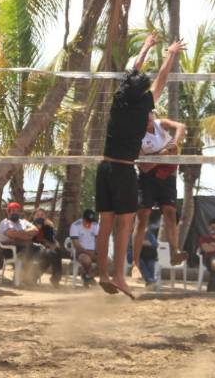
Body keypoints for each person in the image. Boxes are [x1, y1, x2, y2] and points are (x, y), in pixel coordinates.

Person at [95, 32, 186, 299]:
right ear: (143, 94)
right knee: (124, 225)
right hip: (124, 170)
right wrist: (170, 54)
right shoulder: (143, 105)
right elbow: (162, 79)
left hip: (105, 168)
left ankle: (103, 274)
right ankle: (120, 277)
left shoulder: (119, 98)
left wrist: (145, 47)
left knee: (104, 225)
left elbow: (133, 69)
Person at [132, 111, 187, 271]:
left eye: (150, 113)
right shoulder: (136, 138)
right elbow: (145, 166)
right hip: (147, 178)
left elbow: (181, 126)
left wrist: (174, 144)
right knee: (143, 217)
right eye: (145, 114)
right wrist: (161, 155)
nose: (148, 116)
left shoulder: (160, 124)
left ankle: (175, 252)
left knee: (170, 213)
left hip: (167, 176)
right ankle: (135, 263)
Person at [0, 202, 59, 285]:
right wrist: (26, 236)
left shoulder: (23, 222)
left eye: (17, 211)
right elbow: (12, 234)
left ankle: (33, 277)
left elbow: (35, 230)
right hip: (12, 250)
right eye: (13, 211)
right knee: (27, 248)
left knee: (50, 253)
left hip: (28, 247)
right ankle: (21, 277)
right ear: (8, 212)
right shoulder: (4, 223)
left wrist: (21, 234)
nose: (15, 213)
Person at [30, 208, 62, 286]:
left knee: (55, 252)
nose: (40, 217)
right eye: (37, 215)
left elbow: (52, 240)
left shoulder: (48, 227)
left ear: (45, 217)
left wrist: (52, 227)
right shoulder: (29, 226)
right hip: (33, 249)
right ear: (33, 217)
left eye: (42, 215)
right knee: (51, 254)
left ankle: (54, 278)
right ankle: (55, 279)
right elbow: (32, 240)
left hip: (45, 250)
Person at [70, 209, 99, 286]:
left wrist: (97, 250)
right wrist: (88, 252)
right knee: (86, 260)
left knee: (107, 261)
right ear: (83, 219)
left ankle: (88, 276)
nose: (90, 223)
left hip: (93, 251)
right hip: (80, 252)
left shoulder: (95, 225)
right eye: (88, 221)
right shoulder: (75, 225)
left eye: (91, 221)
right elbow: (76, 244)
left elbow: (98, 240)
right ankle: (88, 276)